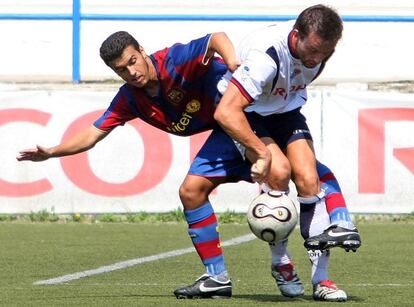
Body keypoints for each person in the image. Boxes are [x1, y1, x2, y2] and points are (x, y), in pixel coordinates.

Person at [17, 23, 358, 300]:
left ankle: (286, 263)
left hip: (245, 117)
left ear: (141, 51)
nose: (131, 72)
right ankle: (217, 278)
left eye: (133, 60)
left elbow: (216, 38)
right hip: (225, 135)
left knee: (294, 172)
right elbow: (93, 133)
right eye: (121, 69)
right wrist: (52, 151)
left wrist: (234, 63)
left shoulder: (175, 60)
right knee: (191, 190)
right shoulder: (130, 99)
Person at [174, 4, 360, 302]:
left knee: (309, 177)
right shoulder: (265, 57)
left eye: (323, 53)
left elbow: (301, 74)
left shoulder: (319, 49)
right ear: (296, 34)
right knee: (273, 171)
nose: (316, 58)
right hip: (246, 114)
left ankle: (322, 279)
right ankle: (279, 262)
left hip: (285, 112)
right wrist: (261, 153)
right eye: (312, 49)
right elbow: (226, 112)